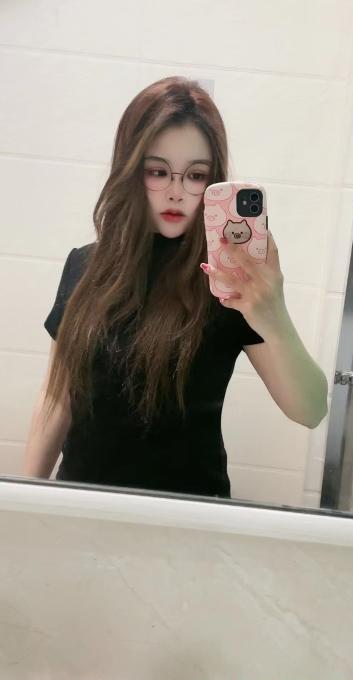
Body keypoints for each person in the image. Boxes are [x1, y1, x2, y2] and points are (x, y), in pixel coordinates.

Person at [23, 76, 328, 498]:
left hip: (188, 517)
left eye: (196, 175)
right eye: (158, 171)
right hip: (81, 507)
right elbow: (58, 395)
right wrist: (25, 501)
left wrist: (274, 315)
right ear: (131, 169)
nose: (176, 192)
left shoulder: (226, 280)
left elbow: (310, 410)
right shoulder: (84, 266)